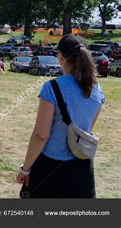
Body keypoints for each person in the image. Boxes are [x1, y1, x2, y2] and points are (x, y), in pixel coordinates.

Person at [17, 34, 104, 198]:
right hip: (83, 166)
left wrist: (25, 168)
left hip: (51, 168)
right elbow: (87, 128)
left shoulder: (52, 87)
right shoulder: (97, 89)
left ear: (61, 57)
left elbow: (41, 135)